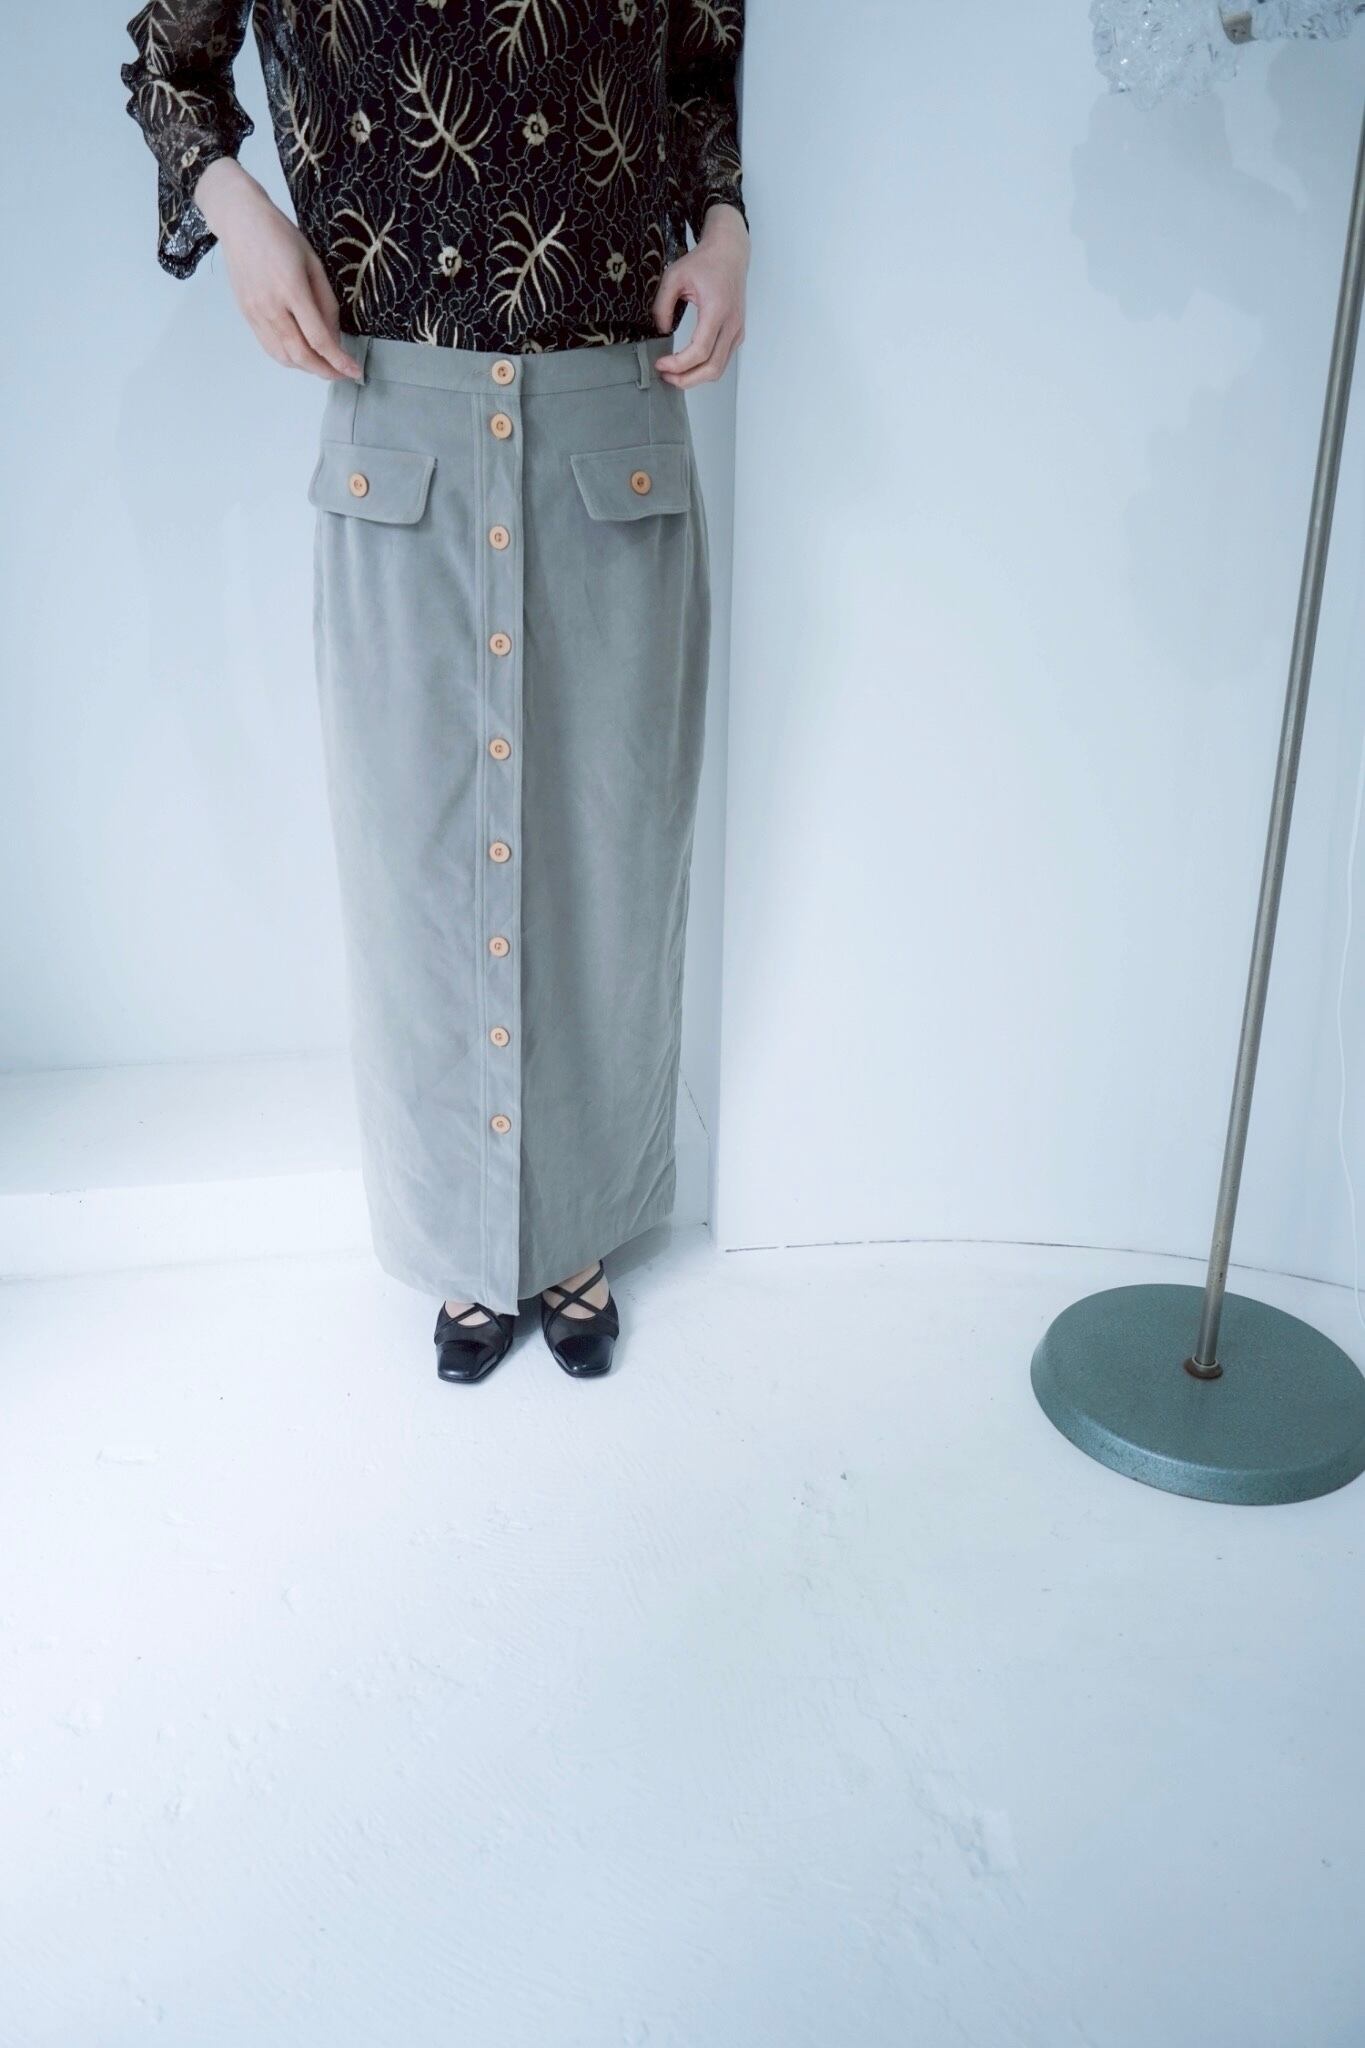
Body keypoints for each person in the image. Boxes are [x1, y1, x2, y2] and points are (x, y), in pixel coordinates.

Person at [121, 1, 748, 1382]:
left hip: (610, 404)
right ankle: (463, 1240)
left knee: (609, 848)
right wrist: (236, 208)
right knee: (412, 859)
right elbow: (168, 56)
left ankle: (576, 1226)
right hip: (395, 399)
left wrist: (724, 227)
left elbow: (701, 60)